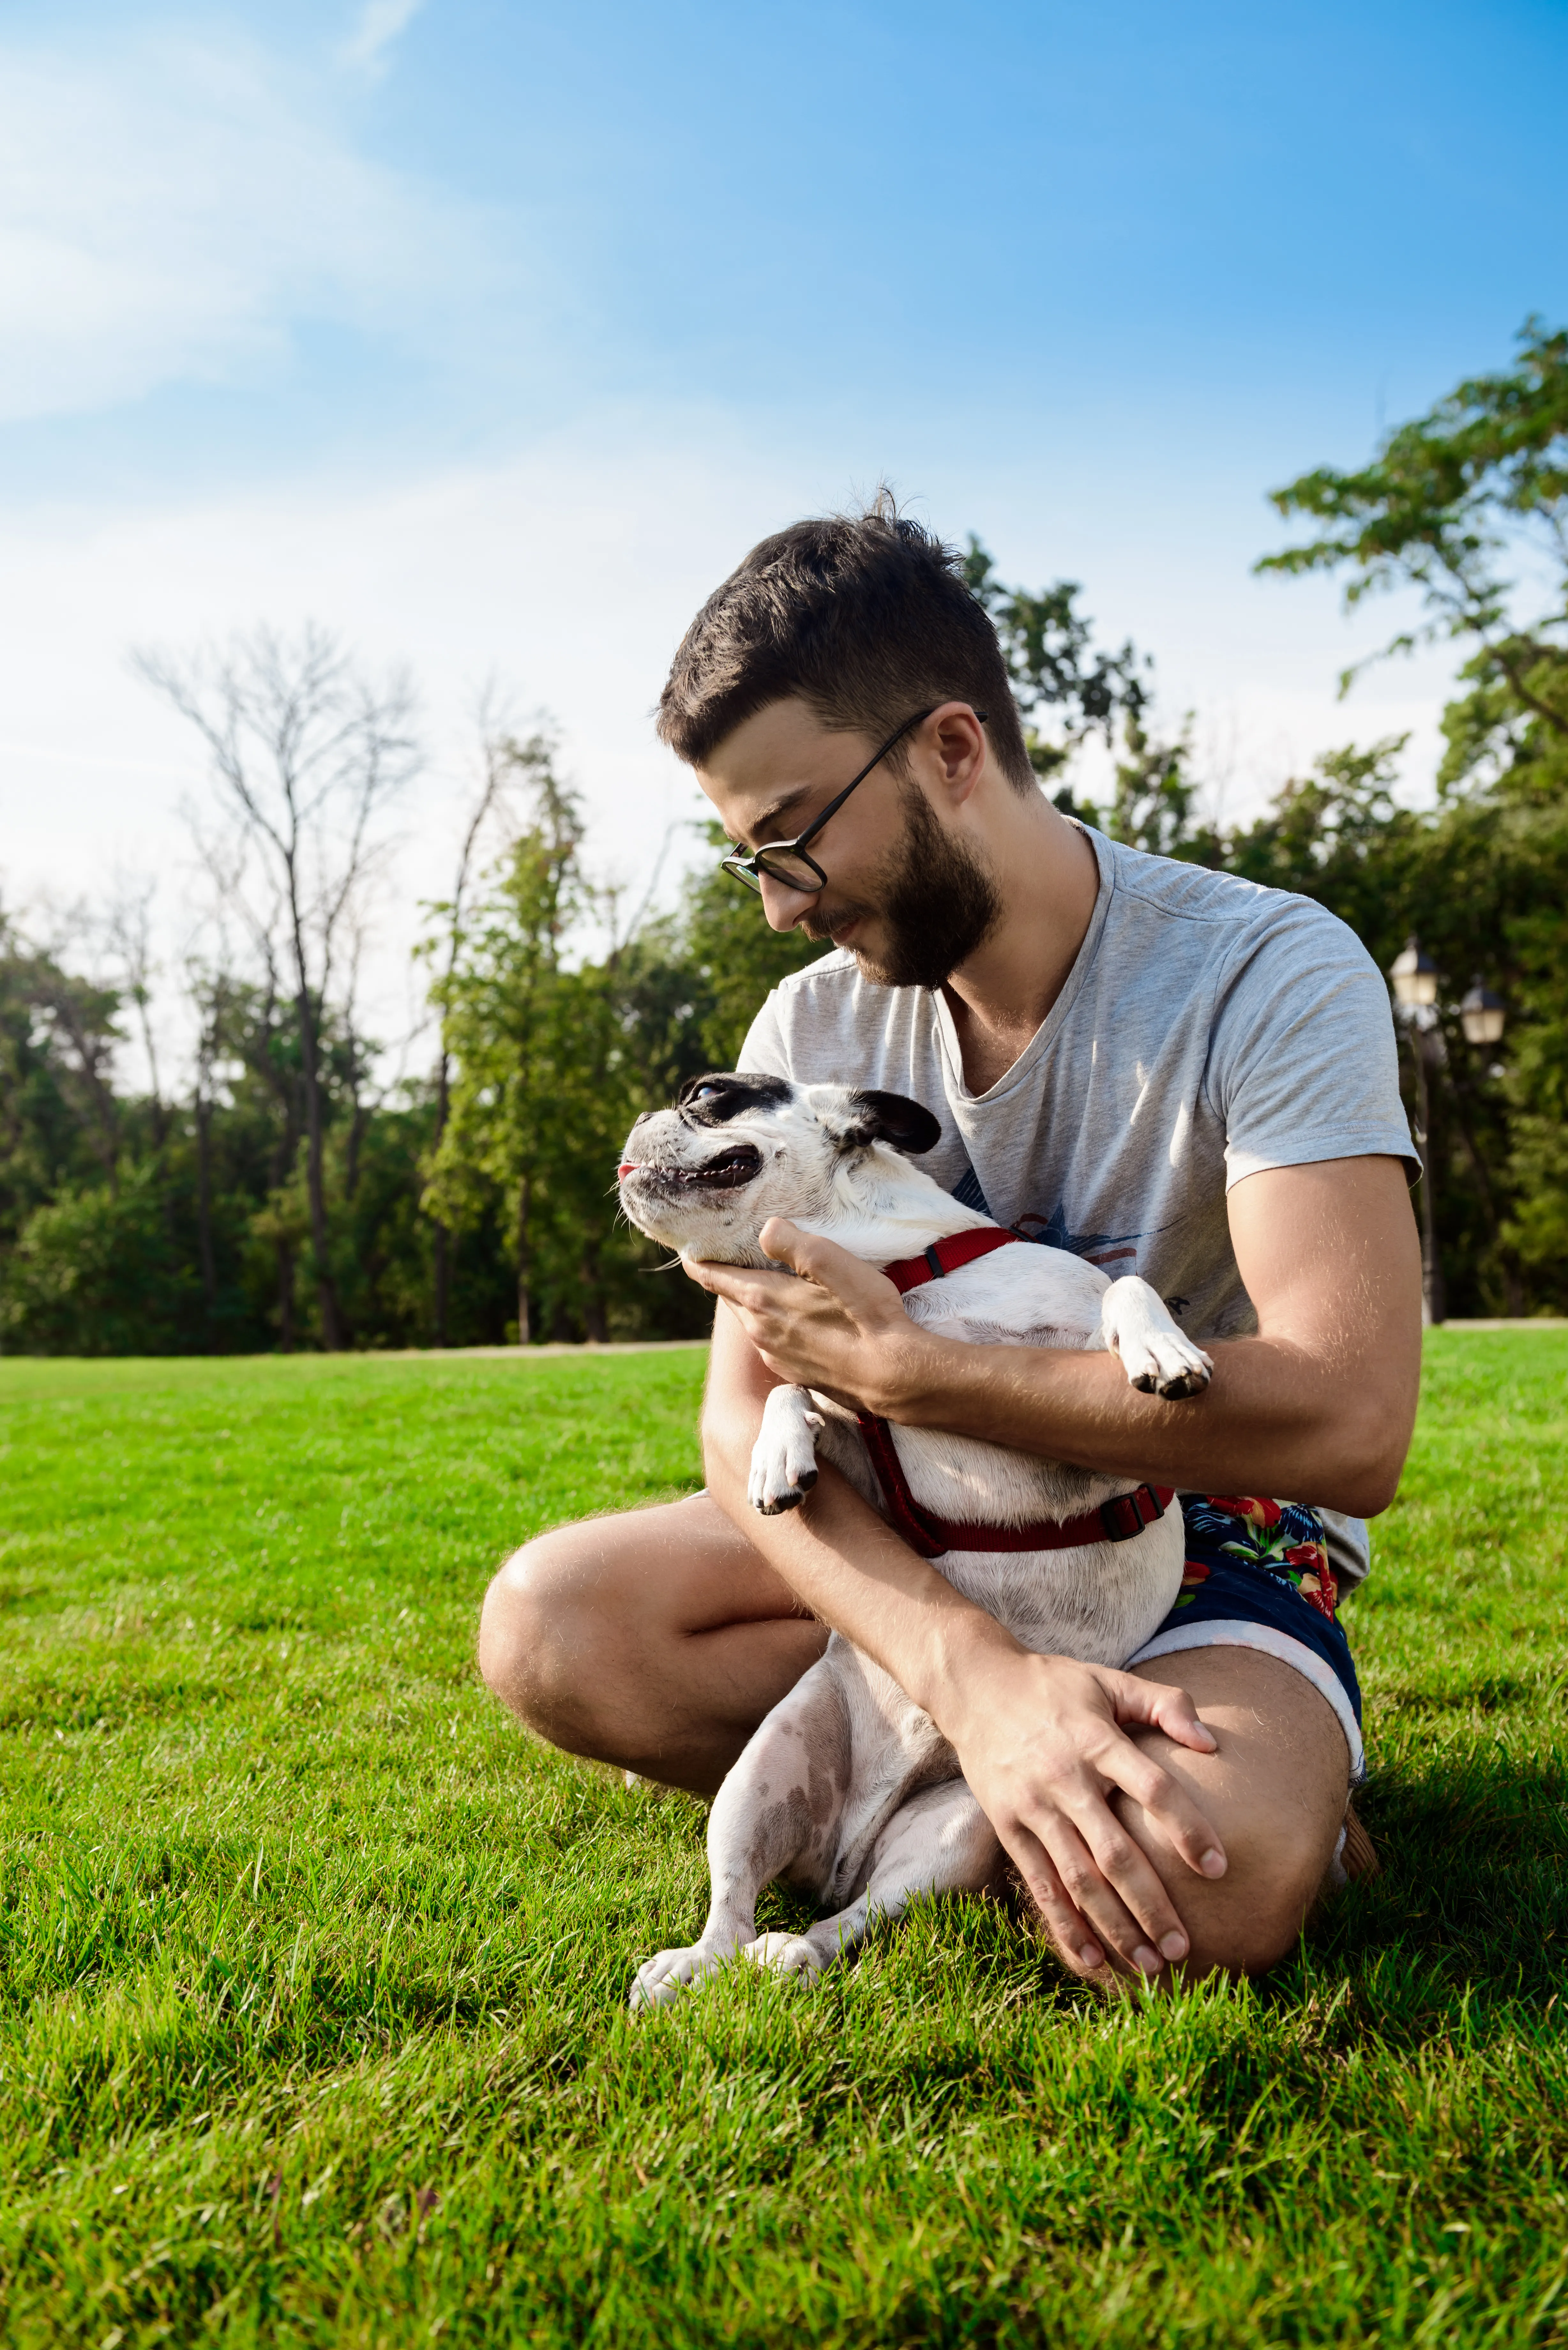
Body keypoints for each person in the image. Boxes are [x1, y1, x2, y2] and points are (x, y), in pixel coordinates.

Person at [478, 502, 1423, 1986]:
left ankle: (1213, 1767)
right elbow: (741, 1424)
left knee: (1210, 1888)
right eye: (751, 862)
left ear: (953, 751)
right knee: (554, 1629)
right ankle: (1005, 1758)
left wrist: (918, 1372)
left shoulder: (1266, 968)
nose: (783, 906)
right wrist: (969, 1674)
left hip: (1192, 1534)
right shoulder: (811, 1032)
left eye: (792, 837)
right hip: (906, 1520)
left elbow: (1351, 1423)